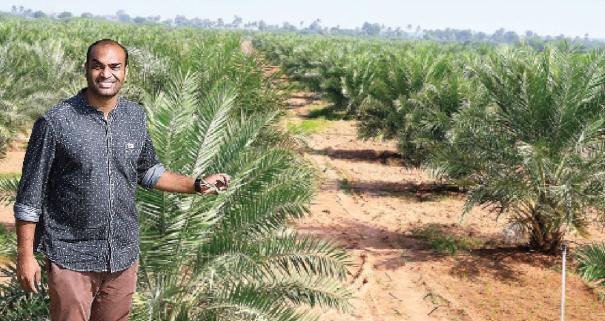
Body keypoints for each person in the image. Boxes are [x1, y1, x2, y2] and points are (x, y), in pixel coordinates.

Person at [13, 39, 230, 321]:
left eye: (114, 66)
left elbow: (148, 171)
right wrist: (25, 256)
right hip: (70, 256)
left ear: (125, 71)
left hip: (122, 258)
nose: (106, 74)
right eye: (98, 66)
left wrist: (198, 185)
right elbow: (29, 197)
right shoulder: (56, 122)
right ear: (86, 69)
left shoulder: (134, 116)